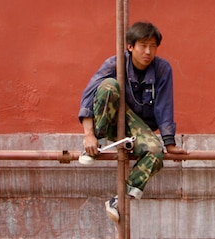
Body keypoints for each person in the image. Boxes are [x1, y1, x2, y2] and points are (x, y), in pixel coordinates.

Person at [78, 21, 188, 223]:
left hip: (138, 127)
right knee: (109, 86)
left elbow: (164, 105)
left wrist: (169, 143)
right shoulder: (115, 63)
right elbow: (88, 96)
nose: (148, 51)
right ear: (130, 46)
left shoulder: (162, 69)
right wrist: (89, 135)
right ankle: (95, 145)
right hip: (112, 119)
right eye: (143, 45)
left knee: (156, 153)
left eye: (153, 46)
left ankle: (119, 199)